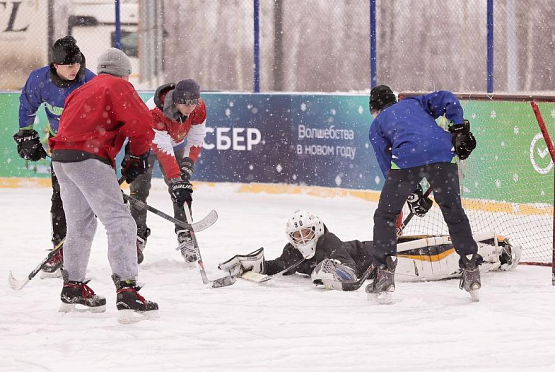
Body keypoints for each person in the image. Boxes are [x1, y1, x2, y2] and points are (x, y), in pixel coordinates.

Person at [49, 48, 158, 322]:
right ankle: (127, 291)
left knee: (80, 225)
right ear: (124, 72)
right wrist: (137, 155)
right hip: (88, 157)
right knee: (120, 222)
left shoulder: (82, 89)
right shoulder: (118, 85)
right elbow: (143, 123)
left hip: (62, 159)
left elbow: (77, 127)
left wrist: (123, 160)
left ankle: (72, 286)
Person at [367, 85, 478, 303]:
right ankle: (471, 266)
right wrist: (458, 129)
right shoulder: (414, 103)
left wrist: (412, 194)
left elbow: (387, 166)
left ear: (375, 108)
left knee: (385, 215)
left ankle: (384, 273)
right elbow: (448, 98)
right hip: (444, 155)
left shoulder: (377, 124)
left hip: (407, 161)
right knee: (453, 212)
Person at [217, 211, 518, 292]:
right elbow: (277, 265)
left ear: (318, 230)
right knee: (444, 263)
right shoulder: (294, 252)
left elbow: (348, 272)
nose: (302, 238)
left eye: (306, 232)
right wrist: (249, 265)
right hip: (384, 261)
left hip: (381, 255)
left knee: (441, 251)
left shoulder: (329, 243)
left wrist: (328, 271)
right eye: (296, 235)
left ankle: (498, 249)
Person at [13, 36, 96, 277]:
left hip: (90, 145)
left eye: (77, 64)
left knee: (95, 202)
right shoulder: (39, 79)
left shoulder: (89, 80)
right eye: (68, 65)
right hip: (60, 145)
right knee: (60, 196)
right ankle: (60, 246)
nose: (74, 69)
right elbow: (27, 105)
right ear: (55, 65)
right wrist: (26, 134)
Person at [129, 79, 207, 265]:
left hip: (175, 145)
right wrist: (176, 178)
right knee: (139, 191)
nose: (190, 108)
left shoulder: (198, 107)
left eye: (193, 103)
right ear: (176, 101)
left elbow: (196, 137)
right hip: (144, 145)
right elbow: (163, 150)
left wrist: (187, 165)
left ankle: (184, 233)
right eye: (185, 104)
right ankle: (137, 237)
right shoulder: (155, 111)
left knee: (182, 190)